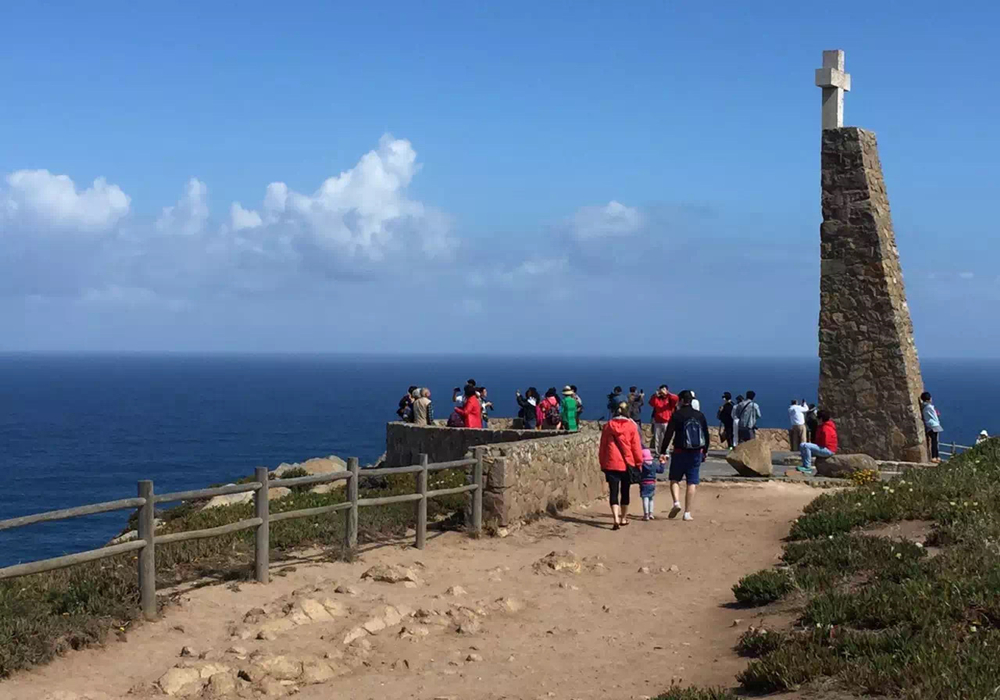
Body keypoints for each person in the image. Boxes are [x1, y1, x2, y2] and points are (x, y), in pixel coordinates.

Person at [657, 390, 709, 522]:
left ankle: (676, 502)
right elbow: (706, 434)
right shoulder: (699, 415)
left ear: (680, 400)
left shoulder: (677, 415)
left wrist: (663, 451)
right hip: (696, 452)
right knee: (692, 482)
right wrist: (705, 451)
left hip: (679, 451)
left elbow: (668, 434)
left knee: (674, 479)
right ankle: (687, 513)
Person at [599, 401, 644, 530]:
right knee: (625, 491)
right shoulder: (631, 427)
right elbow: (636, 447)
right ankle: (623, 518)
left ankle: (615, 518)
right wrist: (639, 463)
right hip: (627, 463)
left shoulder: (608, 426)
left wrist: (602, 462)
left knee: (613, 492)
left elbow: (603, 446)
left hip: (611, 463)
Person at [798, 410, 838, 474]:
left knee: (806, 446)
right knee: (802, 445)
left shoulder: (826, 428)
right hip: (825, 448)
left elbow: (826, 442)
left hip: (828, 450)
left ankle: (807, 467)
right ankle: (804, 465)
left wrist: (816, 445)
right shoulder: (823, 426)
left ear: (821, 419)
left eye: (818, 418)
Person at [649, 385, 680, 456]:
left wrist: (667, 393)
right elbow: (651, 403)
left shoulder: (669, 398)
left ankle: (666, 451)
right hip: (658, 421)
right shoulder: (657, 398)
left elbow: (676, 399)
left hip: (667, 421)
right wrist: (655, 396)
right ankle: (658, 452)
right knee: (657, 438)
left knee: (667, 437)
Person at [639, 448, 664, 521]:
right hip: (652, 483)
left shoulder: (642, 465)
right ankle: (651, 514)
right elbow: (661, 470)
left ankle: (646, 514)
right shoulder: (654, 464)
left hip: (644, 483)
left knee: (645, 498)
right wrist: (662, 463)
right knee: (651, 498)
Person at [920, 391, 943, 462]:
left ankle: (936, 456)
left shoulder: (924, 407)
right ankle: (935, 457)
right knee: (934, 442)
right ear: (928, 399)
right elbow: (934, 416)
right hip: (933, 425)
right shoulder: (929, 407)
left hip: (930, 425)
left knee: (934, 441)